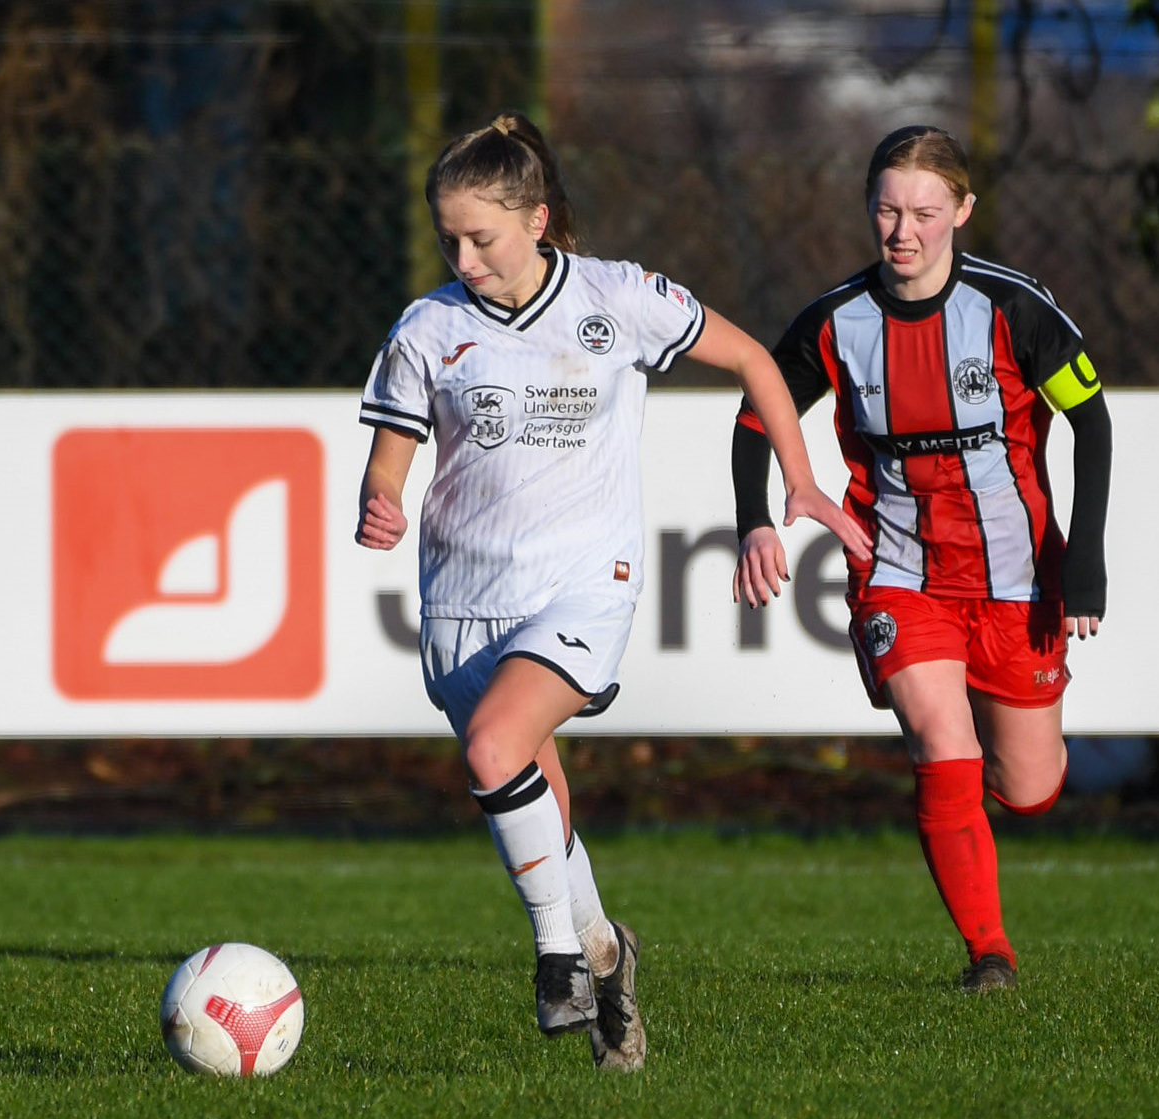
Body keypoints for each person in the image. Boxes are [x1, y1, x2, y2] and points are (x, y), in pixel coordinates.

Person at [356, 111, 872, 1068]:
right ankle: (606, 955)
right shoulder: (429, 328)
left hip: (586, 584)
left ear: (538, 219)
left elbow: (757, 360)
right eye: (449, 239)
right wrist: (379, 501)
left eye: (483, 237)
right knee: (532, 793)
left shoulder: (617, 297)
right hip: (463, 600)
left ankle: (558, 957)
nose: (463, 257)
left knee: (495, 744)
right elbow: (390, 456)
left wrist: (797, 478)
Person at [730, 125, 1112, 992]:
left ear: (963, 212)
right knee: (943, 748)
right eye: (888, 211)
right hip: (897, 570)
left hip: (1017, 579)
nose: (903, 231)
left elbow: (1092, 419)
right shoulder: (836, 322)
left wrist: (1083, 555)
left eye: (925, 213)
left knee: (1030, 786)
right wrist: (754, 518)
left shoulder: (1011, 310)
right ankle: (990, 954)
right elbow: (759, 415)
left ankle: (991, 726)